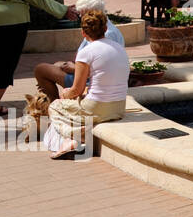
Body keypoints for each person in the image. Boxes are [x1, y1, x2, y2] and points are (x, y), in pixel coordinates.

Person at [43, 9, 129, 160]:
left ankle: (72, 139)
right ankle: (75, 139)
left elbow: (76, 90)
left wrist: (65, 94)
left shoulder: (86, 52)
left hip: (97, 108)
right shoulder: (119, 48)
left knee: (55, 106)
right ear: (105, 28)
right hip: (119, 108)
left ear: (83, 33)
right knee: (74, 103)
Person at [34, 0, 125, 101]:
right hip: (103, 86)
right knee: (55, 66)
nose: (80, 18)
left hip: (91, 83)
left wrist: (64, 95)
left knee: (41, 69)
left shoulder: (104, 37)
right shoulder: (105, 34)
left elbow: (98, 71)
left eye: (81, 15)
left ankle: (53, 104)